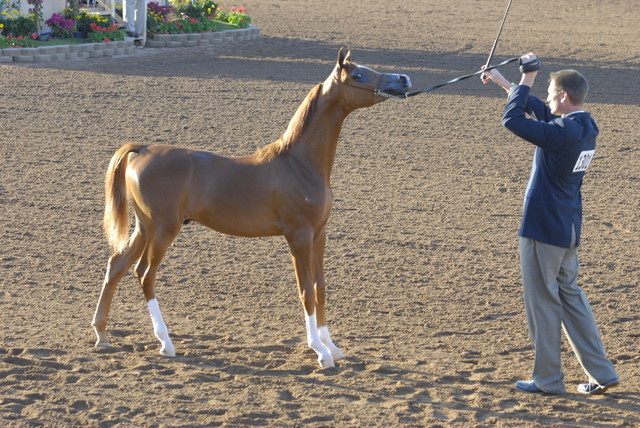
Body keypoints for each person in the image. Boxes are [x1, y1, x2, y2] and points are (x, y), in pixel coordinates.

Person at [481, 53, 619, 395]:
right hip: (567, 229)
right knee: (571, 297)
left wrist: (528, 77)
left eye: (549, 92)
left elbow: (513, 120)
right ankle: (602, 373)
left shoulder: (561, 133)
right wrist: (504, 82)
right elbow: (542, 114)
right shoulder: (582, 126)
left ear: (563, 97)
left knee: (543, 303)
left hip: (543, 229)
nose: (545, 98)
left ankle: (548, 380)